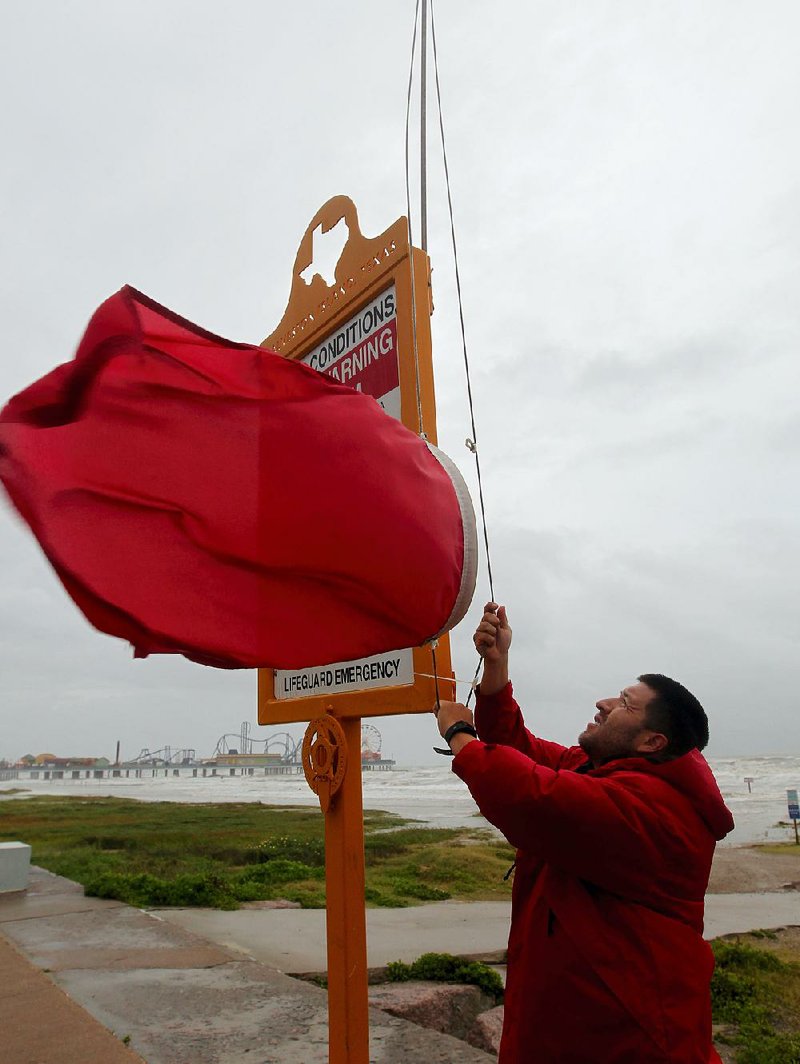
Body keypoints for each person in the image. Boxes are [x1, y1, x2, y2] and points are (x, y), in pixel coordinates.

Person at [435, 602, 734, 1064]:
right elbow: (522, 749)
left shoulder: (658, 810)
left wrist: (460, 734)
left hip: (627, 1041)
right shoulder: (603, 771)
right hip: (568, 1029)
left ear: (653, 742)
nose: (604, 703)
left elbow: (534, 797)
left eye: (624, 704)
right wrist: (497, 668)